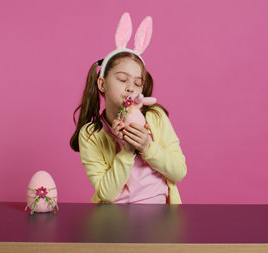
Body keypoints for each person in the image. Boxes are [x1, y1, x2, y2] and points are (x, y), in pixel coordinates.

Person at [70, 13, 186, 204]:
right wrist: (128, 150)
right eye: (122, 80)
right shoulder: (90, 134)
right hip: (114, 218)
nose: (130, 87)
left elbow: (179, 172)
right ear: (102, 84)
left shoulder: (155, 117)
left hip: (160, 218)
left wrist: (147, 147)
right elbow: (106, 194)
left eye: (137, 83)